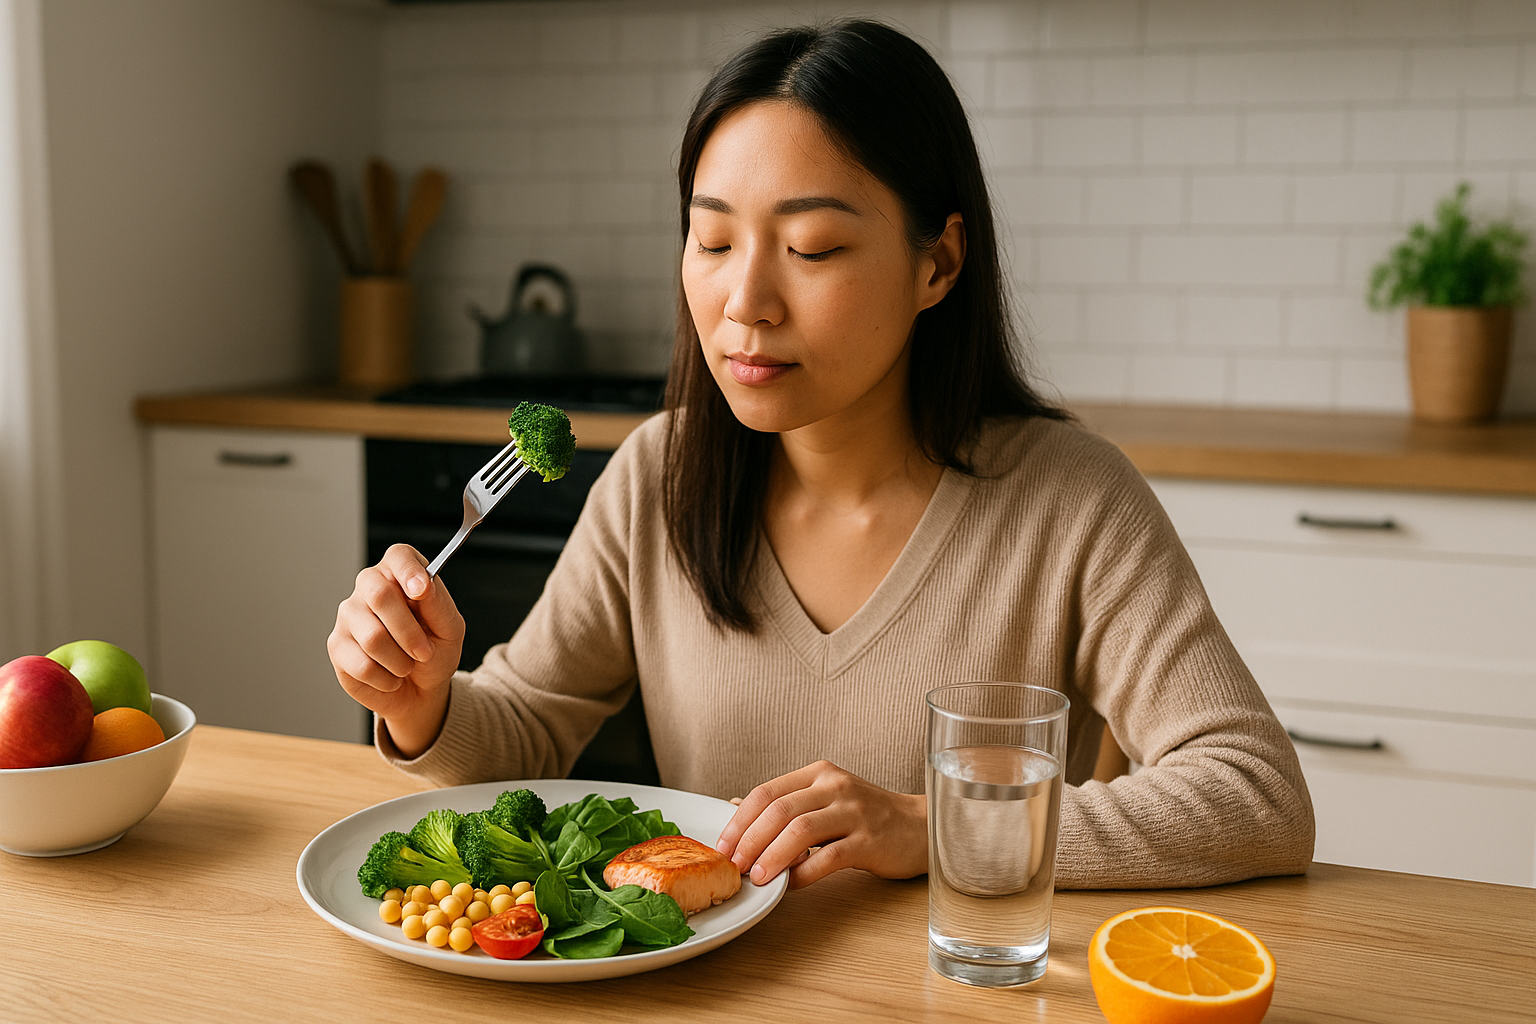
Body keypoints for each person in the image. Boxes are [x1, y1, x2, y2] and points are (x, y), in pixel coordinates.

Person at [327, 20, 1314, 892]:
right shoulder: (658, 476)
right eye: (712, 242)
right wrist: (426, 706)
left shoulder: (1070, 498)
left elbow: (1254, 791)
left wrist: (933, 826)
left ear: (938, 262)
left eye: (811, 249)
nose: (744, 301)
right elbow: (527, 723)